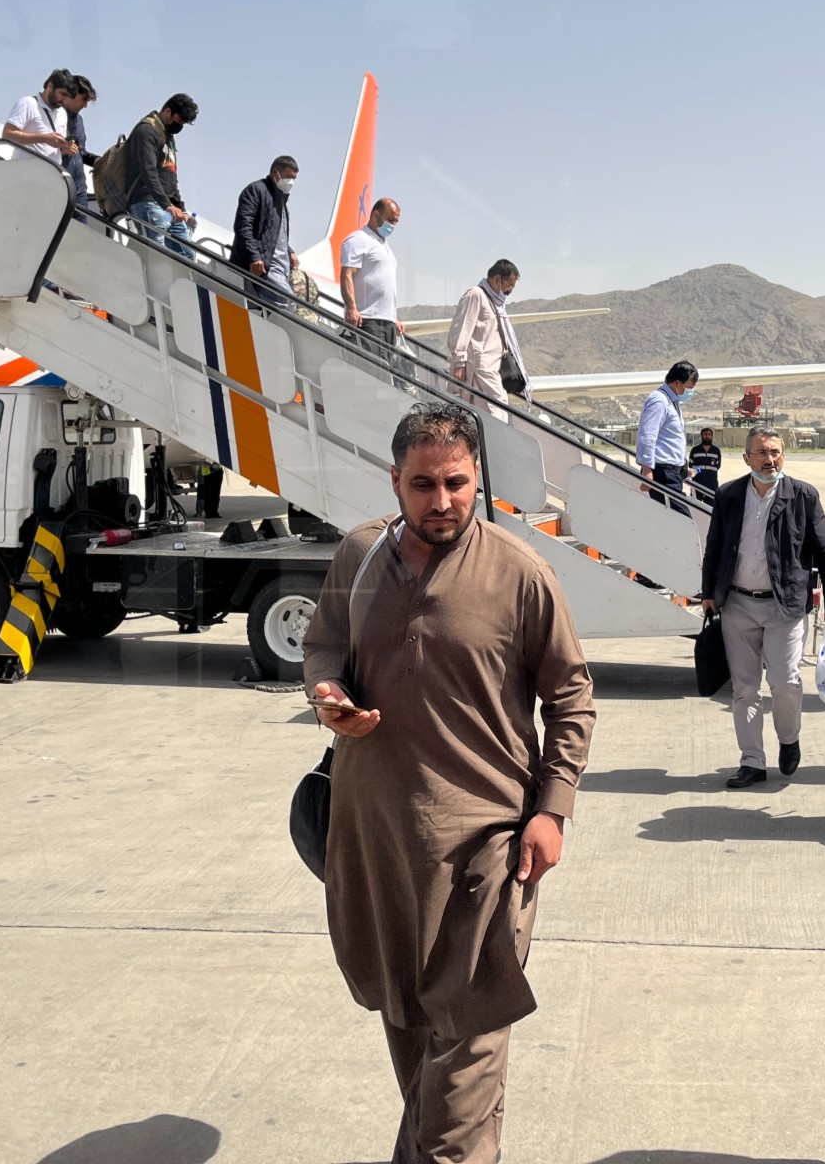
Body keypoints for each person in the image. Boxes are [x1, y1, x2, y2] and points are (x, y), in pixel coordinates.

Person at [303, 404, 596, 1164]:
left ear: (478, 480)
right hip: (376, 850)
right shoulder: (361, 556)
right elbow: (323, 647)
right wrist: (328, 696)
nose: (442, 502)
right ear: (394, 480)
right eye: (423, 485)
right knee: (409, 1034)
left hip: (486, 856)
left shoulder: (520, 573)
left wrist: (552, 810)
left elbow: (571, 698)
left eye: (457, 484)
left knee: (462, 1067)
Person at [700, 427, 825, 788]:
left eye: (775, 452)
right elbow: (714, 546)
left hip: (786, 606)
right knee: (744, 688)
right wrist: (708, 593)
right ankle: (751, 761)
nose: (769, 459)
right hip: (738, 604)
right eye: (761, 452)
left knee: (785, 681)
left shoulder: (803, 496)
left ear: (784, 455)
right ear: (746, 457)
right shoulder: (729, 495)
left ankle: (788, 739)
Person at [126, 93, 200, 260]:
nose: (180, 126)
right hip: (148, 201)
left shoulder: (168, 136)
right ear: (168, 111)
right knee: (157, 256)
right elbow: (148, 171)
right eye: (179, 120)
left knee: (187, 255)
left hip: (168, 207)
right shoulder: (147, 130)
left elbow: (171, 177)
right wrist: (166, 204)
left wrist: (180, 208)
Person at [448, 260, 531, 407]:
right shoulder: (476, 295)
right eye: (510, 285)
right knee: (495, 411)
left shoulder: (496, 303)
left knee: (494, 410)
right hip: (479, 368)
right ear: (498, 279)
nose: (510, 290)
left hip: (494, 368)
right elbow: (461, 330)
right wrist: (459, 363)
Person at [341, 197, 407, 363]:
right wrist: (351, 307)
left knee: (385, 374)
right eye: (390, 220)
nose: (393, 225)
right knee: (373, 373)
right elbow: (347, 274)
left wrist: (392, 317)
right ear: (376, 215)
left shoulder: (384, 245)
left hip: (387, 323)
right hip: (368, 320)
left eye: (396, 221)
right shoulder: (358, 240)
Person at [231, 156, 300, 299]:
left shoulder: (280, 200)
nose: (291, 183)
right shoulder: (256, 191)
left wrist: (289, 251)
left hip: (281, 269)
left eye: (294, 179)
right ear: (275, 173)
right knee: (286, 303)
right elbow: (243, 227)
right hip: (264, 267)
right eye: (288, 177)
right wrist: (254, 256)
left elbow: (273, 234)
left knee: (285, 306)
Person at [637, 362, 699, 514]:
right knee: (683, 519)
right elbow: (647, 435)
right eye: (688, 388)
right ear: (677, 382)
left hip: (673, 474)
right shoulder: (659, 401)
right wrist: (647, 469)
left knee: (670, 519)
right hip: (663, 473)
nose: (689, 393)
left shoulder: (672, 401)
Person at [1, 69, 80, 167]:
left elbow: (55, 147)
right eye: (63, 94)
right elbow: (7, 135)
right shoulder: (27, 103)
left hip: (51, 173)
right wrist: (45, 138)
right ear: (50, 86)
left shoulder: (62, 113)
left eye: (68, 97)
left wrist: (66, 148)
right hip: (23, 172)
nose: (65, 101)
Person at [61, 76, 98, 205]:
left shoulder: (79, 120)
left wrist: (101, 161)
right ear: (72, 94)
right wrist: (61, 150)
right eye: (84, 100)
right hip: (58, 188)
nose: (85, 105)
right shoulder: (52, 115)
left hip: (79, 192)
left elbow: (81, 152)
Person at [688, 427, 723, 503]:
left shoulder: (716, 451)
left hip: (711, 485)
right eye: (705, 434)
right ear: (702, 436)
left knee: (711, 509)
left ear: (711, 436)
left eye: (709, 434)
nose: (707, 436)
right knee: (695, 507)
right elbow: (691, 467)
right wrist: (701, 471)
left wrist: (708, 472)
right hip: (697, 484)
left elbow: (717, 466)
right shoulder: (695, 450)